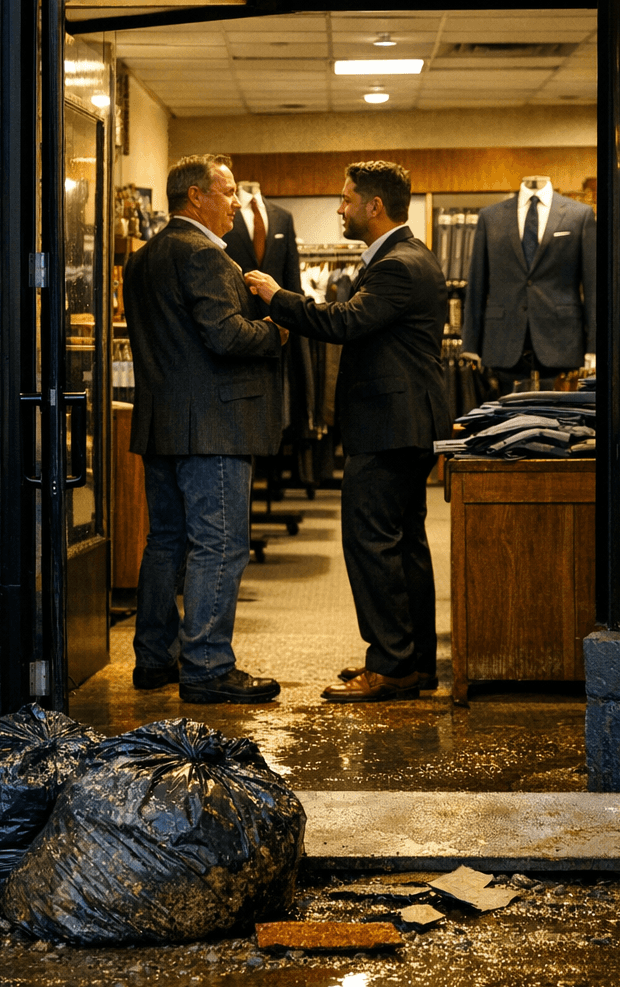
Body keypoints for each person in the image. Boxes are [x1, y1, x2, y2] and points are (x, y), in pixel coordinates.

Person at [244, 161, 451, 703]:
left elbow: (343, 323)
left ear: (373, 206)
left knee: (372, 544)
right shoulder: (413, 255)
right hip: (406, 424)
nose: (340, 208)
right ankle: (413, 661)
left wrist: (277, 296)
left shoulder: (396, 265)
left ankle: (390, 665)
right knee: (405, 544)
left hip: (390, 426)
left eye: (346, 198)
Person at [123, 153, 286, 704]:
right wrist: (276, 330)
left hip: (162, 424)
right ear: (196, 196)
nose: (237, 202)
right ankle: (207, 667)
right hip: (213, 428)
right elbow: (226, 335)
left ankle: (154, 659)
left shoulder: (142, 259)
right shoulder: (205, 255)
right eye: (228, 191)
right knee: (219, 546)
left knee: (165, 543)